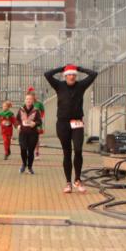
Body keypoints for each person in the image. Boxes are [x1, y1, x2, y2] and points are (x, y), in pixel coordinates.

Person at [44, 63, 97, 194]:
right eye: (69, 74)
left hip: (77, 122)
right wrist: (62, 68)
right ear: (66, 76)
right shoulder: (59, 85)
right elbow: (47, 74)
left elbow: (94, 74)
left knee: (78, 149)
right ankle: (68, 182)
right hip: (62, 123)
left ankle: (78, 180)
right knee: (67, 152)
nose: (72, 76)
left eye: (74, 74)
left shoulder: (81, 85)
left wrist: (79, 68)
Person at [16, 92, 42, 174]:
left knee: (31, 151)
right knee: (23, 149)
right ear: (25, 100)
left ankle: (30, 167)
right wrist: (18, 125)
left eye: (30, 99)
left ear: (33, 100)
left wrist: (35, 123)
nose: (28, 101)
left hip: (33, 134)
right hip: (23, 133)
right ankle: (24, 164)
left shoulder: (36, 111)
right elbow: (16, 120)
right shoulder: (21, 110)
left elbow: (39, 121)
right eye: (27, 99)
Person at [26, 85, 45, 158]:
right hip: (28, 123)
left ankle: (37, 152)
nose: (31, 97)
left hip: (36, 123)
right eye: (29, 96)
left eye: (33, 95)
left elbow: (43, 111)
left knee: (36, 138)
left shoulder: (39, 103)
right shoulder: (26, 103)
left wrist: (40, 117)